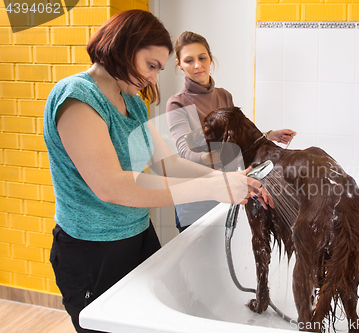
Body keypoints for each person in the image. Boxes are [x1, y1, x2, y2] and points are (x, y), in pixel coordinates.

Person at [43, 10, 263, 333]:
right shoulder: (77, 98)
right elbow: (112, 186)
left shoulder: (132, 103)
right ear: (123, 47)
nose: (154, 79)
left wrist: (224, 180)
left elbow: (167, 163)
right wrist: (212, 189)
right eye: (151, 66)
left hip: (140, 238)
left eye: (158, 69)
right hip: (91, 252)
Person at [166, 31, 296, 232]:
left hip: (226, 192)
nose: (197, 65)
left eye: (202, 58)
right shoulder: (177, 103)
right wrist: (222, 155)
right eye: (189, 60)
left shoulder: (224, 96)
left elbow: (239, 136)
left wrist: (268, 136)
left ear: (210, 57)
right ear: (179, 64)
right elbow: (185, 153)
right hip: (196, 198)